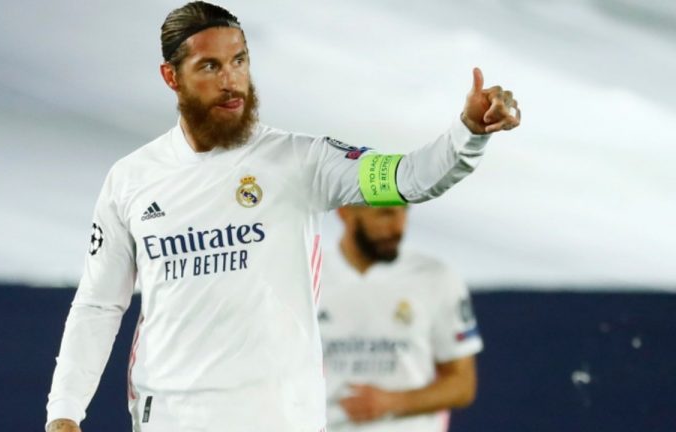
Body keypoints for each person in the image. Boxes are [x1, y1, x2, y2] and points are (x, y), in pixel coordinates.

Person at [45, 2, 519, 431]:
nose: (231, 80)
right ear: (171, 77)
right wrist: (64, 412)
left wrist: (468, 134)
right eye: (210, 66)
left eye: (240, 61)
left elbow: (409, 178)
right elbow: (98, 305)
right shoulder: (130, 179)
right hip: (168, 417)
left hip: (278, 417)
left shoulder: (301, 160)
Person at [318, 205, 482, 432]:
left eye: (404, 212)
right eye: (384, 213)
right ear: (345, 212)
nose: (398, 227)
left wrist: (392, 402)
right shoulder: (309, 276)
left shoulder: (435, 278)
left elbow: (462, 385)